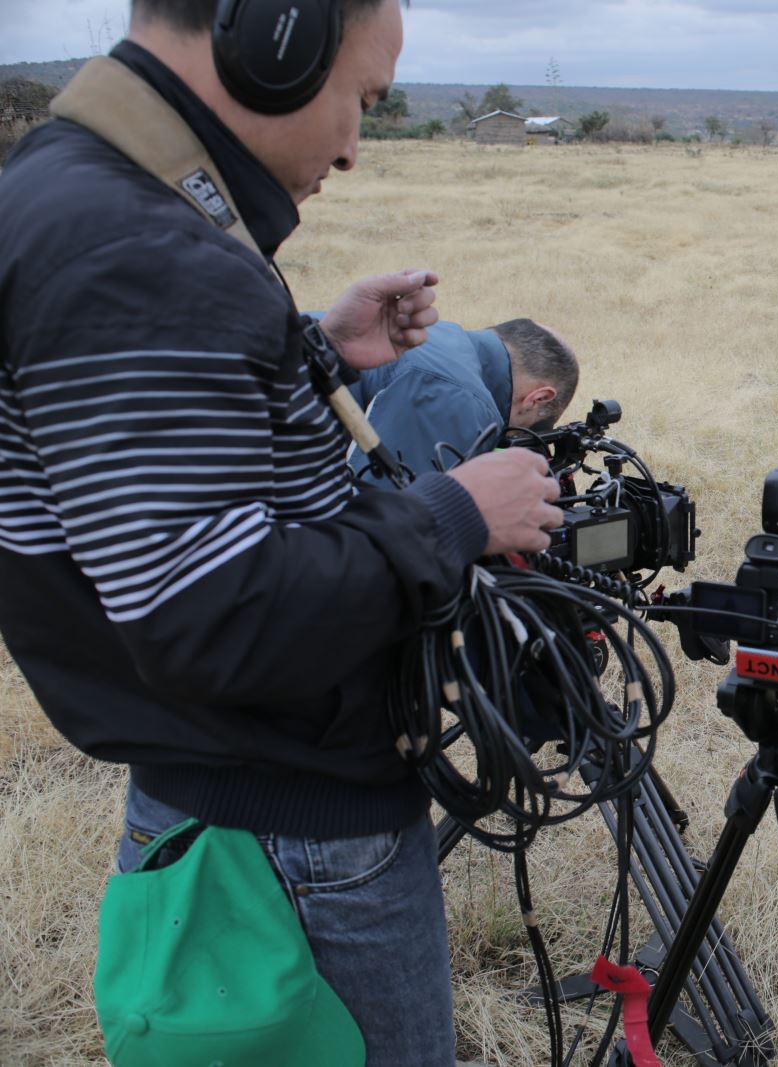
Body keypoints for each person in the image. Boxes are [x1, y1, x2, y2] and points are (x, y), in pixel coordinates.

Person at [0, 1, 561, 1062]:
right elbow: (212, 615)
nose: (352, 145)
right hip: (290, 838)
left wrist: (317, 351)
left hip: (224, 803)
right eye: (361, 98)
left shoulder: (91, 192)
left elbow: (162, 469)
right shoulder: (134, 247)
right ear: (277, 37)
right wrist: (456, 514)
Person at [345, 316, 579, 483]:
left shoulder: (440, 335)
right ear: (538, 398)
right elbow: (389, 515)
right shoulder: (460, 396)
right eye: (535, 428)